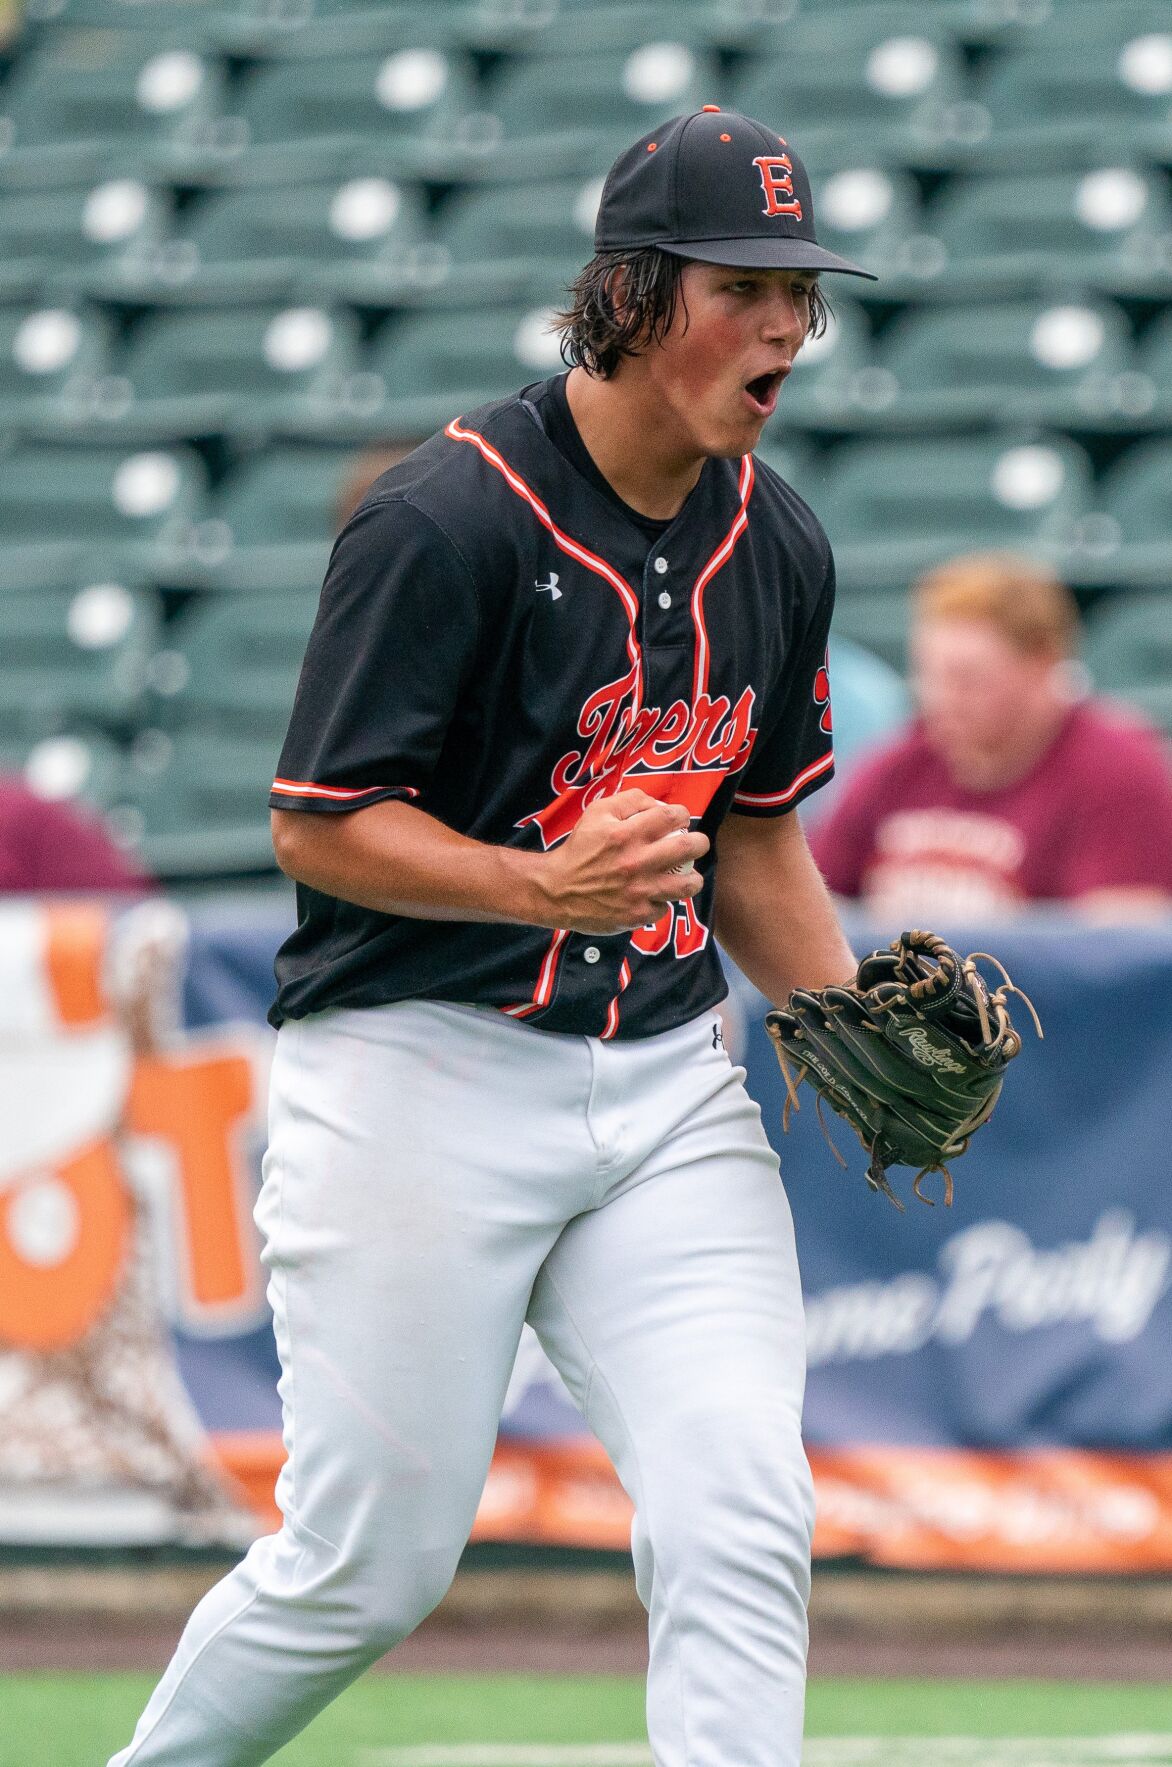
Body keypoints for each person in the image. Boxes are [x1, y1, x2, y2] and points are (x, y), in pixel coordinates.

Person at [109, 107, 875, 1767]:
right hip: (417, 1077)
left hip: (667, 1081)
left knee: (742, 1509)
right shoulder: (443, 521)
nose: (781, 329)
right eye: (740, 287)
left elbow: (753, 838)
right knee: (366, 1565)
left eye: (796, 293)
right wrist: (543, 885)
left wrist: (846, 1026)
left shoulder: (780, 541)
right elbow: (316, 822)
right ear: (625, 292)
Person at [811, 552, 1172, 918]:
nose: (941, 699)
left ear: (1041, 667)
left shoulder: (1117, 771)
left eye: (967, 680)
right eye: (930, 676)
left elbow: (1119, 950)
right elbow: (817, 904)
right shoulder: (898, 763)